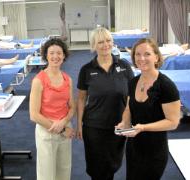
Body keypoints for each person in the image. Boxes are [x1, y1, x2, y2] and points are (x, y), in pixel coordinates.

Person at [116, 38, 181, 180]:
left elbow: (173, 122)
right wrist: (124, 123)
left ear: (156, 57)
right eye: (137, 54)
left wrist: (143, 127)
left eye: (147, 54)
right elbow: (128, 108)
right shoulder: (133, 82)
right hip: (134, 147)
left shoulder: (166, 86)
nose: (142, 58)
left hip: (155, 150)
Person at [77, 27, 134, 180]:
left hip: (119, 126)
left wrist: (127, 119)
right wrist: (78, 124)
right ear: (94, 45)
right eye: (100, 42)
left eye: (108, 40)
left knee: (113, 165)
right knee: (97, 168)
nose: (105, 45)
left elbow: (131, 95)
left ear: (113, 42)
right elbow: (81, 99)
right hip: (94, 127)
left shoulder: (124, 66)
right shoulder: (86, 70)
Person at [29, 38, 75, 180]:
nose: (56, 56)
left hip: (65, 129)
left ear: (64, 56)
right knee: (46, 175)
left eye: (59, 53)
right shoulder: (39, 80)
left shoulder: (68, 79)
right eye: (52, 53)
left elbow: (72, 107)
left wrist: (65, 122)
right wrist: (60, 128)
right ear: (46, 56)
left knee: (64, 171)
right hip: (46, 131)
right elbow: (34, 115)